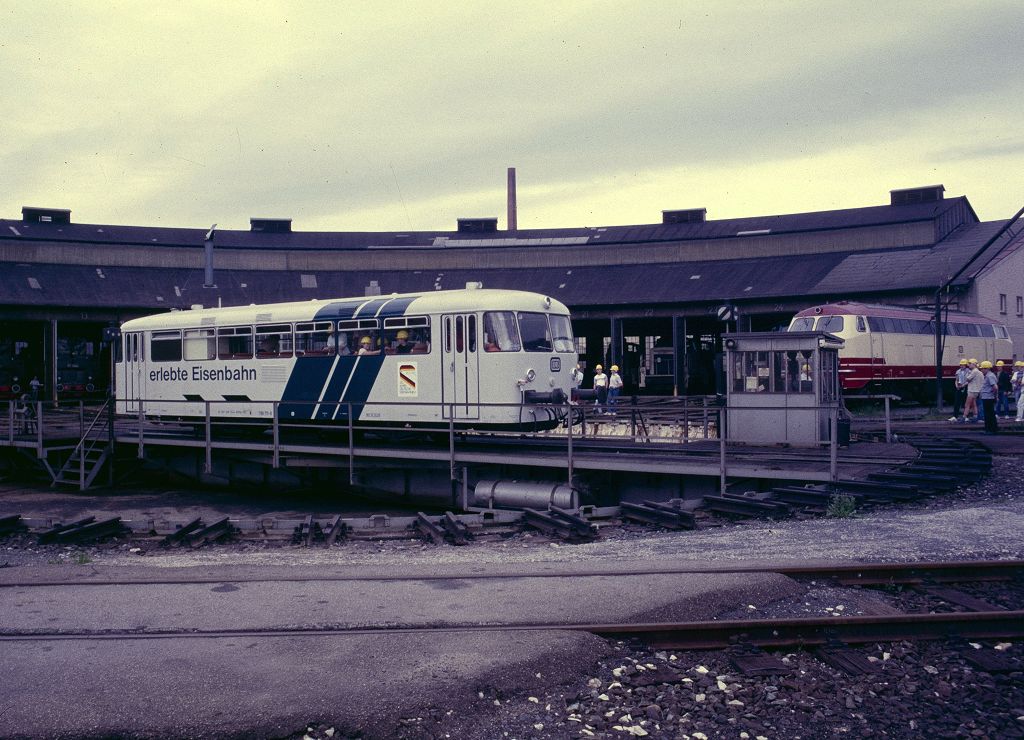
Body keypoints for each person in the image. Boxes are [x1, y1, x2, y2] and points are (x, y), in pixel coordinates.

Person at [978, 360, 999, 434]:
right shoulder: (989, 375)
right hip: (987, 397)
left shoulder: (990, 376)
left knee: (988, 414)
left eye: (982, 369)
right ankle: (992, 429)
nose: (981, 370)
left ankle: (990, 430)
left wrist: (994, 395)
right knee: (990, 413)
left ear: (987, 368)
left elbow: (995, 387)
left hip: (988, 397)